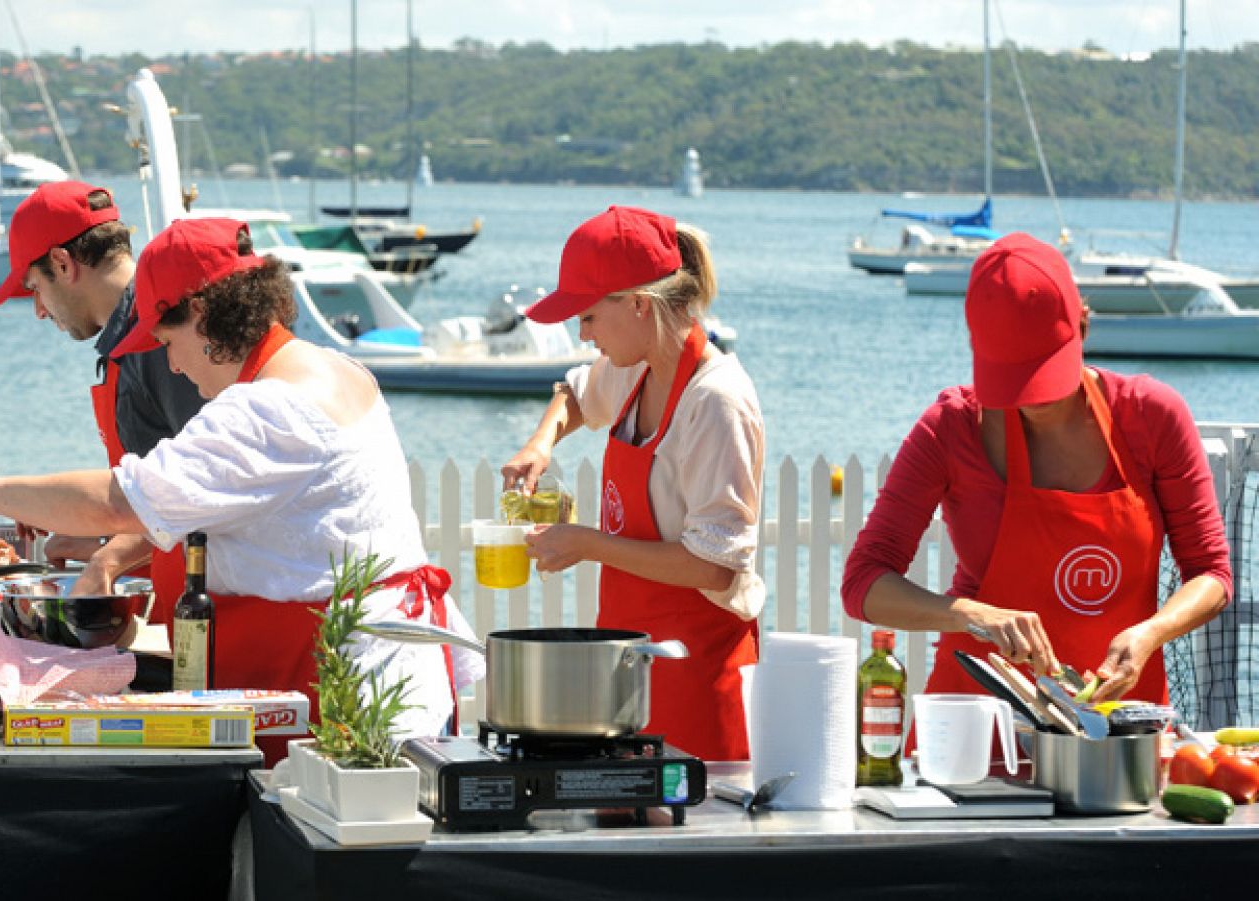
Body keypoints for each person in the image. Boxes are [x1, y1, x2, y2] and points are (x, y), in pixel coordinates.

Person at [0, 217, 482, 761]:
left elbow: (117, 498)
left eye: (167, 341)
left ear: (204, 316)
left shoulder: (266, 407)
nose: (175, 367)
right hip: (368, 659)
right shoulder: (328, 367)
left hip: (345, 684)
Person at [842, 232, 1230, 705]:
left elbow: (1211, 575)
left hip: (1116, 725)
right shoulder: (951, 427)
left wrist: (1151, 632)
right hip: (975, 721)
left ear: (1083, 327)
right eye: (1012, 382)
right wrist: (971, 615)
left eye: (1045, 379)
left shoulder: (1152, 416)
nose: (1031, 401)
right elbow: (863, 582)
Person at [500, 205, 766, 761]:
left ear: (640, 305)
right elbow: (574, 395)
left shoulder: (716, 401)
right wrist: (540, 443)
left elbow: (714, 565)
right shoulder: (635, 365)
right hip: (628, 672)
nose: (582, 333)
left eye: (590, 317)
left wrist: (588, 544)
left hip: (696, 677)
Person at [0, 181, 205, 624]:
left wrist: (106, 560)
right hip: (179, 602)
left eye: (35, 289)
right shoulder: (126, 340)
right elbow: (146, 496)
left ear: (62, 263)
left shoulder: (161, 342)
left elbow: (201, 493)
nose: (40, 311)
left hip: (210, 610)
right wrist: (84, 537)